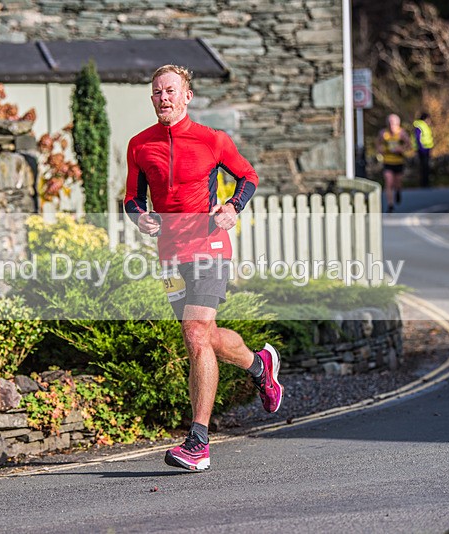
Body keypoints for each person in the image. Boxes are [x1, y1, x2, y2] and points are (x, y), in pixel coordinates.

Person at [123, 65, 284, 471]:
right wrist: (140, 217)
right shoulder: (139, 145)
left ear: (187, 96)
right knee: (203, 336)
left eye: (170, 90)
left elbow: (248, 176)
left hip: (210, 246)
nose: (163, 97)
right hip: (170, 253)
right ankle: (259, 366)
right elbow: (132, 198)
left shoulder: (212, 139)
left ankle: (198, 443)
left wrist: (232, 206)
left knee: (196, 333)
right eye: (157, 92)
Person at [376, 114, 410, 212]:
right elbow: (378, 143)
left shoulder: (401, 133)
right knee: (389, 181)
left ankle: (398, 191)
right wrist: (380, 150)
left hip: (398, 161)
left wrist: (401, 149)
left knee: (398, 182)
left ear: (398, 124)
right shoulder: (383, 133)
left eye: (394, 124)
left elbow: (409, 145)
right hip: (388, 161)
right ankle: (390, 205)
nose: (392, 126)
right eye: (390, 124)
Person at [413, 113, 434, 188]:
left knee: (426, 166)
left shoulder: (424, 126)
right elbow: (418, 138)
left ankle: (426, 182)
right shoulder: (420, 126)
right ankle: (424, 183)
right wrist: (421, 149)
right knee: (424, 167)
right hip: (423, 150)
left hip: (426, 149)